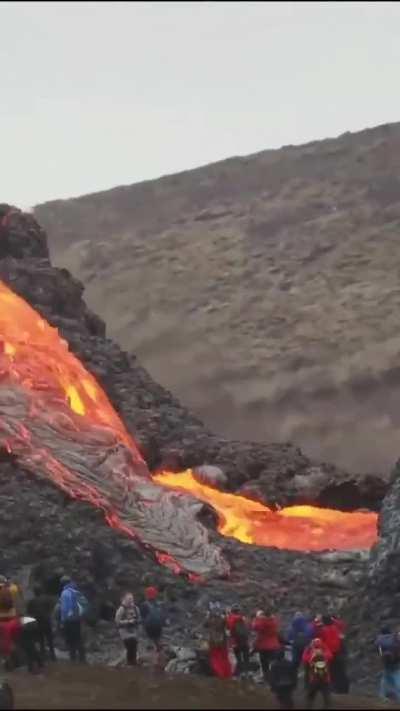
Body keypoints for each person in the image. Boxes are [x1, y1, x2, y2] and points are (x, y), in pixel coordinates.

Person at [59, 576, 87, 663]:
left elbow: (64, 609)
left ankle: (73, 659)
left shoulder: (64, 593)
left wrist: (63, 621)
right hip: (77, 619)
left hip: (69, 620)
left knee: (71, 641)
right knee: (79, 638)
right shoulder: (76, 591)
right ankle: (82, 659)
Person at [26, 586, 56, 662]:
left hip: (38, 622)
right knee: (50, 639)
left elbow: (29, 612)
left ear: (35, 593)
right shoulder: (47, 599)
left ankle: (43, 656)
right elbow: (52, 608)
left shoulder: (32, 601)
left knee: (41, 639)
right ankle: (53, 656)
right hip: (47, 621)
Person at [320, 614, 349, 694]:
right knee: (340, 671)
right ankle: (343, 689)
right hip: (339, 652)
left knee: (331, 672)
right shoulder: (336, 628)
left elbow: (322, 642)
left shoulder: (323, 630)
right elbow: (342, 626)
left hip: (329, 654)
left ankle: (333, 688)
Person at [251, 609, 281, 682]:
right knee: (273, 662)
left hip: (264, 646)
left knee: (264, 664)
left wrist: (256, 618)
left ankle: (266, 678)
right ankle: (275, 676)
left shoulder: (262, 621)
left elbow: (254, 627)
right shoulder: (274, 621)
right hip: (274, 645)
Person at [302, 637, 332, 709]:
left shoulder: (311, 656)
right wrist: (324, 647)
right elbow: (330, 655)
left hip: (314, 680)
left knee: (310, 697)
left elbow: (304, 658)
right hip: (325, 679)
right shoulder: (325, 656)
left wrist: (308, 648)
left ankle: (308, 707)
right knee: (326, 697)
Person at [204, 602, 232, 679]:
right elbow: (229, 627)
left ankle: (219, 674)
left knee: (215, 658)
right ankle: (227, 675)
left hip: (213, 642)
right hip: (222, 642)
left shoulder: (210, 620)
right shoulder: (223, 619)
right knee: (224, 658)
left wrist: (208, 616)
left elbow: (205, 625)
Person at [140, 587, 165, 668]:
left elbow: (142, 617)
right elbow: (162, 616)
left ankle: (152, 661)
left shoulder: (144, 605)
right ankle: (159, 660)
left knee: (150, 642)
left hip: (149, 627)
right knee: (158, 642)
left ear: (146, 595)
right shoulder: (159, 604)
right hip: (159, 627)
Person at [115, 593, 141, 666]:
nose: (130, 601)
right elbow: (117, 621)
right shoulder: (121, 609)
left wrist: (136, 621)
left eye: (131, 599)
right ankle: (129, 662)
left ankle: (133, 662)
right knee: (129, 645)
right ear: (125, 599)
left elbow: (139, 618)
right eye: (128, 599)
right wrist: (128, 621)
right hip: (124, 631)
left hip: (134, 630)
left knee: (134, 646)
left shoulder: (136, 608)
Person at [376, 625, 400, 702]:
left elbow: (378, 649)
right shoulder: (394, 638)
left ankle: (382, 695)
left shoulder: (380, 640)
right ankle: (397, 696)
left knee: (386, 677)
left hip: (386, 660)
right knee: (396, 677)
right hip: (395, 660)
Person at [226, 604, 250, 677]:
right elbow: (247, 628)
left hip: (235, 642)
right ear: (238, 611)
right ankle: (246, 672)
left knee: (238, 658)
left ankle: (239, 673)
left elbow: (228, 630)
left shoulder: (228, 619)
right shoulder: (241, 618)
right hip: (243, 641)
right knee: (246, 657)